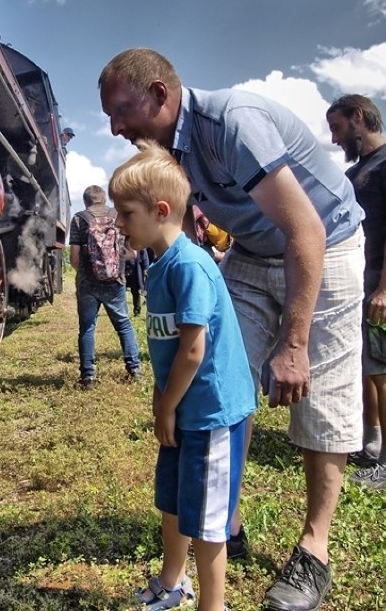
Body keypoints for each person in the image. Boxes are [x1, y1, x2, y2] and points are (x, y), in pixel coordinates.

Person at [99, 48, 366, 611]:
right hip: (253, 250)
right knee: (225, 380)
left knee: (322, 401)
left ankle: (313, 553)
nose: (116, 126)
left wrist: (294, 344)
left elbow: (305, 229)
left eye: (122, 110)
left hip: (323, 242)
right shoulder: (170, 152)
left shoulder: (232, 123)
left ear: (158, 94)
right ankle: (225, 517)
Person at [109, 139, 255, 611]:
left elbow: (194, 350)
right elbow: (167, 346)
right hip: (181, 407)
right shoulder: (159, 265)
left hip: (209, 412)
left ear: (161, 209)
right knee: (173, 501)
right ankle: (173, 582)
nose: (117, 223)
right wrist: (162, 401)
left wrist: (166, 404)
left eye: (126, 213)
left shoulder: (190, 265)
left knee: (209, 524)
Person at [326, 94, 386, 492]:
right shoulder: (358, 171)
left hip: (380, 283)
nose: (334, 139)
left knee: (385, 373)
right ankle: (372, 445)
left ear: (358, 118)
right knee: (367, 370)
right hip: (358, 282)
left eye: (338, 128)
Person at [69, 184, 141, 390]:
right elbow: (133, 253)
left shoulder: (79, 218)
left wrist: (88, 271)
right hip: (115, 282)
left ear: (86, 201)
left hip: (87, 283)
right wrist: (115, 264)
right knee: (124, 325)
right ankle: (134, 370)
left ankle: (88, 378)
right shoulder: (117, 216)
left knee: (87, 328)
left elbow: (74, 258)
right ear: (103, 199)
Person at [124, 240, 150, 315]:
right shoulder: (121, 241)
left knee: (135, 292)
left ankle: (137, 310)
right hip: (124, 270)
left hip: (135, 271)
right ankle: (123, 311)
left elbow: (144, 257)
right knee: (122, 292)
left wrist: (146, 268)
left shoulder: (138, 242)